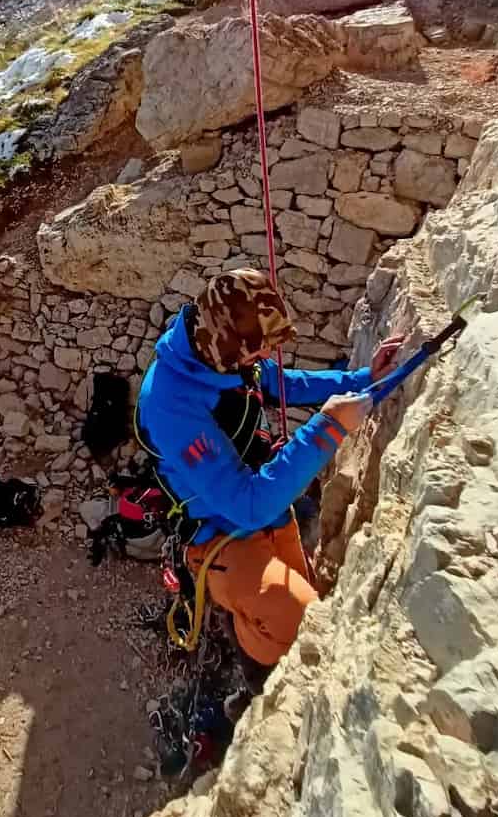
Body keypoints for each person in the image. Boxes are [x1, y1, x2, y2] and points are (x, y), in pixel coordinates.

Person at [136, 269, 403, 671]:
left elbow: (281, 383)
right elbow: (246, 506)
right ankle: (257, 690)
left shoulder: (219, 354)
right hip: (220, 535)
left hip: (271, 513)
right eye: (256, 352)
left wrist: (364, 378)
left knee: (310, 609)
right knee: (297, 620)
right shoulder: (170, 405)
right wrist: (327, 428)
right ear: (226, 347)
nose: (262, 359)